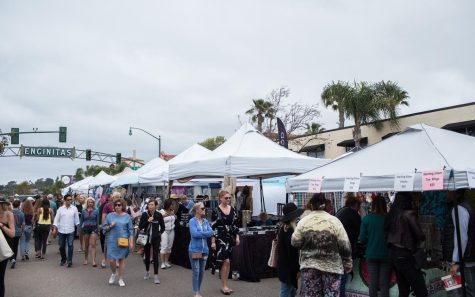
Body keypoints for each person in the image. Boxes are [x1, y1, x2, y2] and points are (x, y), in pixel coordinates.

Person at [291, 193, 352, 297]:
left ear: (312, 205)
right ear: (325, 205)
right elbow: (345, 244)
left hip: (310, 265)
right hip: (332, 266)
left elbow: (295, 242)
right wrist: (347, 263)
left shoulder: (304, 221)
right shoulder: (335, 221)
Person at [384, 192, 427, 297]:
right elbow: (420, 235)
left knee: (403, 290)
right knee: (421, 290)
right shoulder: (408, 214)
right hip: (405, 254)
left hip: (393, 254)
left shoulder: (391, 215)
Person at [358, 195, 390, 297]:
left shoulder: (367, 219)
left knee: (373, 283)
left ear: (373, 205)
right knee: (384, 283)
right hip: (386, 254)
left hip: (371, 254)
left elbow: (362, 239)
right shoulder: (388, 219)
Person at [211, 190, 240, 295]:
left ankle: (225, 284)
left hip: (230, 238)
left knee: (228, 262)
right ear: (220, 198)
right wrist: (213, 241)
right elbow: (213, 227)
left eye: (229, 198)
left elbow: (236, 224)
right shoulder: (216, 210)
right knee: (226, 261)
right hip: (220, 238)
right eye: (226, 198)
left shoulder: (233, 209)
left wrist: (237, 237)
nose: (228, 199)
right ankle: (223, 286)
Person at [102, 197, 134, 287]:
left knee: (121, 260)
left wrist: (131, 242)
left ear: (123, 206)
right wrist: (110, 226)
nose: (117, 206)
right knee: (112, 261)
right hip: (112, 241)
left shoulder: (127, 216)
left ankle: (121, 279)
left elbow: (131, 230)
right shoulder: (110, 216)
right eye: (115, 205)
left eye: (119, 205)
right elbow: (104, 228)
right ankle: (113, 273)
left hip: (123, 241)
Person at [450, 189, 475, 297]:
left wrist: (456, 261)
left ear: (453, 192)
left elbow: (461, 237)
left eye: (448, 190)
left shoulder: (459, 208)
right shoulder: (466, 205)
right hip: (466, 257)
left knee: (460, 291)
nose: (446, 193)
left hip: (463, 259)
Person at [335, 193, 362, 297]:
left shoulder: (340, 211)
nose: (359, 208)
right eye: (358, 206)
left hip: (334, 249)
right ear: (355, 205)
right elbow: (361, 233)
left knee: (336, 279)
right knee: (342, 279)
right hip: (345, 250)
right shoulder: (354, 215)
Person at [277, 203, 303, 297]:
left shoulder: (284, 229)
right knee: (287, 291)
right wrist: (297, 269)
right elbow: (292, 253)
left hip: (285, 267)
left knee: (290, 290)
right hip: (289, 268)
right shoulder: (290, 231)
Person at [188, 202, 214, 297]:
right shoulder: (192, 221)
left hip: (205, 250)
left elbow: (211, 232)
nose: (204, 210)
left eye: (204, 208)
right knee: (196, 271)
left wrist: (202, 233)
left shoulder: (205, 221)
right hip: (195, 250)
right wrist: (205, 233)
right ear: (196, 210)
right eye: (202, 208)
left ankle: (198, 290)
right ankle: (196, 292)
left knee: (202, 271)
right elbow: (194, 234)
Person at [139, 199, 165, 284]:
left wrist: (159, 233)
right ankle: (147, 271)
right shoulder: (144, 214)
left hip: (155, 238)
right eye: (149, 204)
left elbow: (163, 227)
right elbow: (140, 226)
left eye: (152, 204)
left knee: (155, 256)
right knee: (146, 256)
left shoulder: (159, 215)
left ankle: (156, 276)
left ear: (156, 206)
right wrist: (147, 221)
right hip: (146, 237)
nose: (150, 206)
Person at [52, 193, 80, 268]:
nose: (69, 201)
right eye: (68, 200)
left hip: (71, 230)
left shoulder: (74, 209)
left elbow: (77, 221)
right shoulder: (60, 209)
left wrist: (78, 230)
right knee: (61, 246)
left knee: (70, 245)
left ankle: (69, 261)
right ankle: (63, 259)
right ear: (65, 200)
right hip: (61, 231)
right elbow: (56, 220)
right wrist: (55, 229)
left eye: (71, 200)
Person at [0, 196, 15, 297]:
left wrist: (2, 225)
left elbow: (12, 234)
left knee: (0, 278)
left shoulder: (9, 215)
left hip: (2, 250)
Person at [82, 197, 99, 266]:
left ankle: (93, 261)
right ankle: (86, 259)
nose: (90, 203)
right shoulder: (84, 211)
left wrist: (98, 230)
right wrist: (80, 230)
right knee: (86, 245)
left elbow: (97, 221)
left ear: (94, 203)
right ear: (87, 203)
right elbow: (81, 221)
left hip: (93, 227)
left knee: (93, 245)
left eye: (92, 202)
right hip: (86, 228)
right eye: (89, 202)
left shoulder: (96, 210)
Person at [159, 198, 176, 269]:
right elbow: (158, 219)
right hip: (164, 231)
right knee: (164, 246)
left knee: (169, 247)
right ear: (168, 205)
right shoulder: (162, 211)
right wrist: (165, 215)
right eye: (172, 204)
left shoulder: (172, 211)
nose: (173, 205)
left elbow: (174, 219)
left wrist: (174, 216)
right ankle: (162, 263)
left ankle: (166, 261)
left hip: (171, 230)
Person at [10, 200, 24, 269]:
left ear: (12, 205)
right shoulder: (21, 213)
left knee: (10, 245)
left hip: (10, 231)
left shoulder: (10, 213)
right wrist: (22, 231)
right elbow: (23, 224)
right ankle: (14, 259)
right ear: (19, 205)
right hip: (18, 231)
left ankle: (11, 258)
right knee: (15, 246)